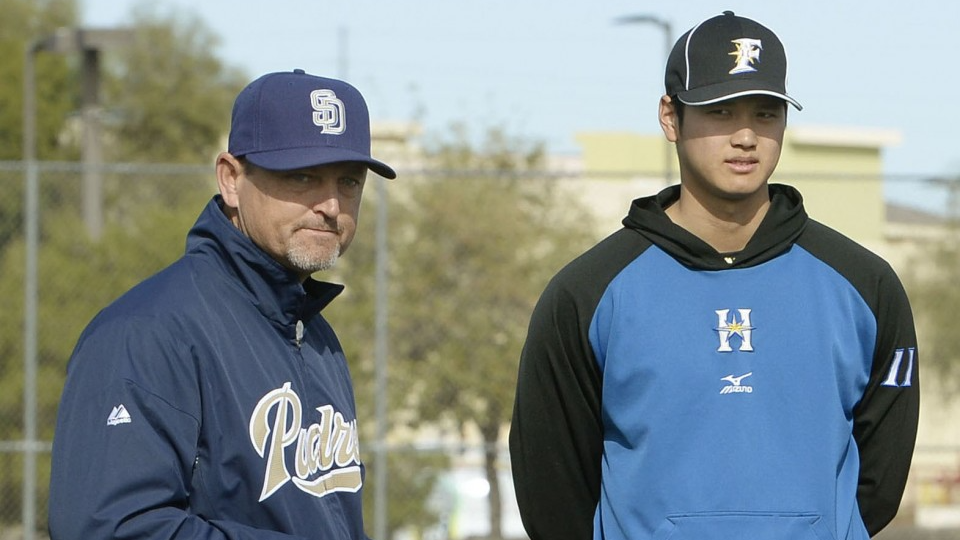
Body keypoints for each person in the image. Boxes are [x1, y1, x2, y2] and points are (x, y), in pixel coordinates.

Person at [509, 11, 919, 540]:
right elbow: (552, 484)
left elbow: (879, 481)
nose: (746, 135)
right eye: (720, 110)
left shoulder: (866, 285)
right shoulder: (587, 293)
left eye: (766, 113)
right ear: (670, 117)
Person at [48, 69, 396, 539]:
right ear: (231, 180)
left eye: (349, 182)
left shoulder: (314, 336)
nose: (331, 205)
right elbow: (111, 528)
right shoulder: (147, 332)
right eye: (302, 176)